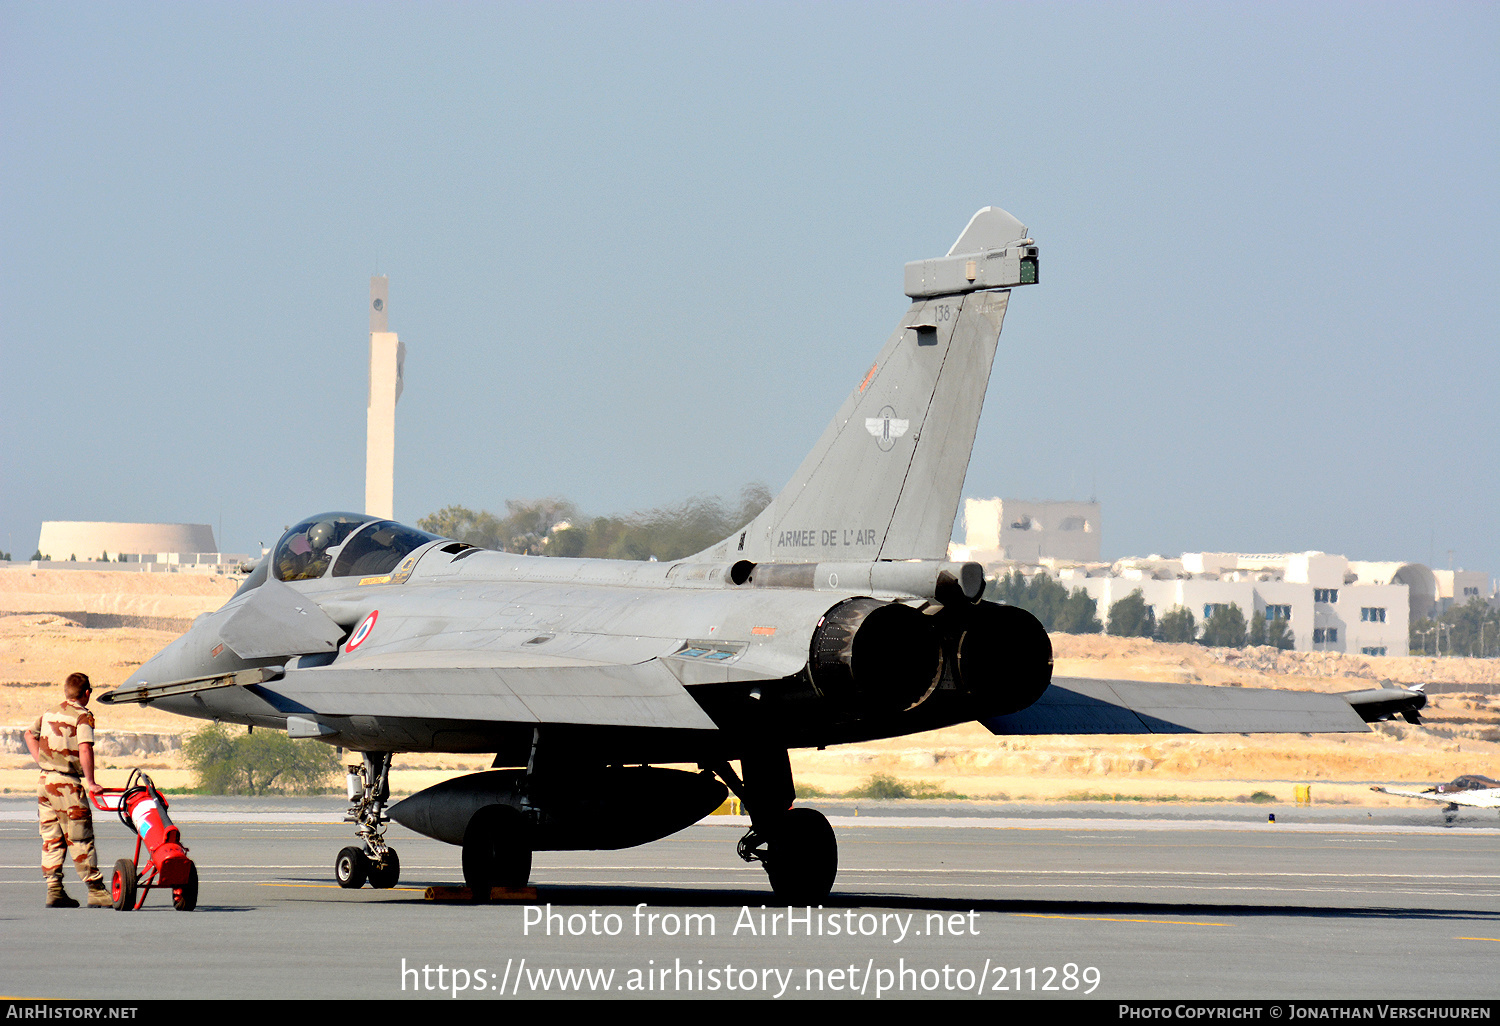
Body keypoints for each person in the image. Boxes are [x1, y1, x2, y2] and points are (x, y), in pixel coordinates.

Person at [25, 672, 109, 908]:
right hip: (66, 785)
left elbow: (29, 735)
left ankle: (54, 889)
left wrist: (42, 761)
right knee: (80, 835)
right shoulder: (82, 717)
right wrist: (91, 782)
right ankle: (96, 890)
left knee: (51, 838)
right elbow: (85, 749)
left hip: (45, 782)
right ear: (87, 693)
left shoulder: (50, 712)